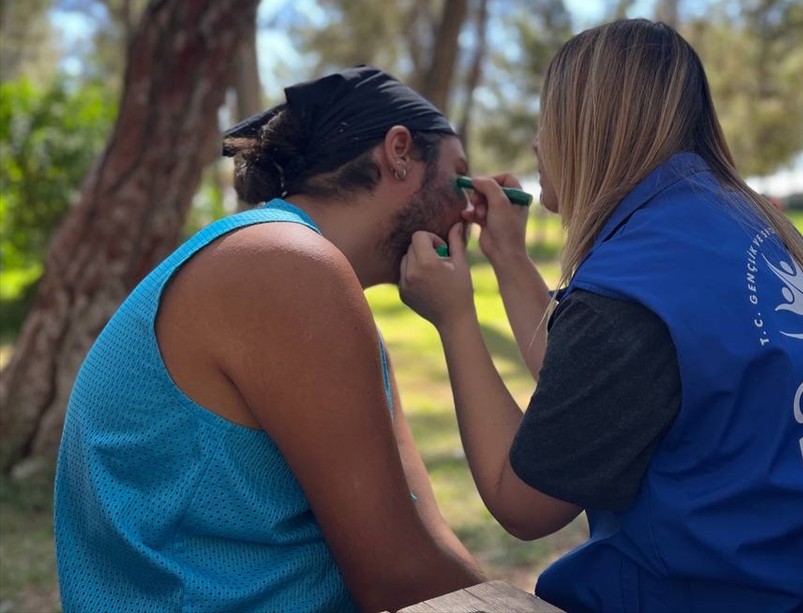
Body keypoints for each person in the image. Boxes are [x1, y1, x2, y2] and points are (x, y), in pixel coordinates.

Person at [399, 19, 803, 613]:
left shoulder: (634, 290)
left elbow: (524, 504)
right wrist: (508, 255)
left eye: (549, 117)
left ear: (591, 128)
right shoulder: (739, 222)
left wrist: (456, 320)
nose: (537, 142)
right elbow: (598, 401)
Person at [55, 65, 485, 613]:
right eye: (461, 178)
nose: (471, 208)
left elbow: (416, 529)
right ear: (399, 151)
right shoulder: (287, 265)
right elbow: (398, 580)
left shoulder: (295, 267)